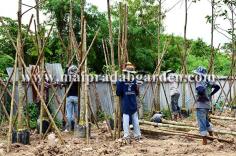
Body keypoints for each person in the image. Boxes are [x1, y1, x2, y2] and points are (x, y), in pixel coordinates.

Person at [193, 66, 220, 145]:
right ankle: (212, 136)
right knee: (206, 121)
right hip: (207, 105)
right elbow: (218, 87)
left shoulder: (199, 81)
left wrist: (202, 95)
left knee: (201, 122)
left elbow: (200, 90)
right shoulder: (208, 81)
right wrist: (210, 94)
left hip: (201, 105)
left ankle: (204, 141)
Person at [116, 62, 142, 143]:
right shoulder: (134, 81)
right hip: (133, 103)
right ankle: (137, 136)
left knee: (126, 120)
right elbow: (137, 93)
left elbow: (118, 93)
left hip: (126, 104)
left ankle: (126, 136)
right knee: (135, 120)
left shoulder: (121, 81)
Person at [64, 65, 79, 132]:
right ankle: (76, 126)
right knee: (76, 113)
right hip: (76, 97)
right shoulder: (78, 78)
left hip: (69, 97)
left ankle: (69, 128)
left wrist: (66, 68)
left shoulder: (68, 78)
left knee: (69, 114)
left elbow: (64, 78)